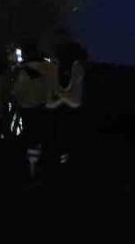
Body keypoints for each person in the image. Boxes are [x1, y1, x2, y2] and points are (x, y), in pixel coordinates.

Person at [10, 44, 54, 178]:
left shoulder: (23, 71)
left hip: (28, 110)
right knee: (42, 138)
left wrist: (15, 98)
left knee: (30, 139)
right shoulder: (48, 68)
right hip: (45, 108)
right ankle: (42, 167)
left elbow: (18, 91)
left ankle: (31, 169)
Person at [43, 40, 87, 170]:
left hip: (67, 122)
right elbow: (51, 102)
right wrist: (64, 96)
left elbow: (74, 101)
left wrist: (59, 96)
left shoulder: (76, 68)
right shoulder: (55, 68)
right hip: (60, 122)